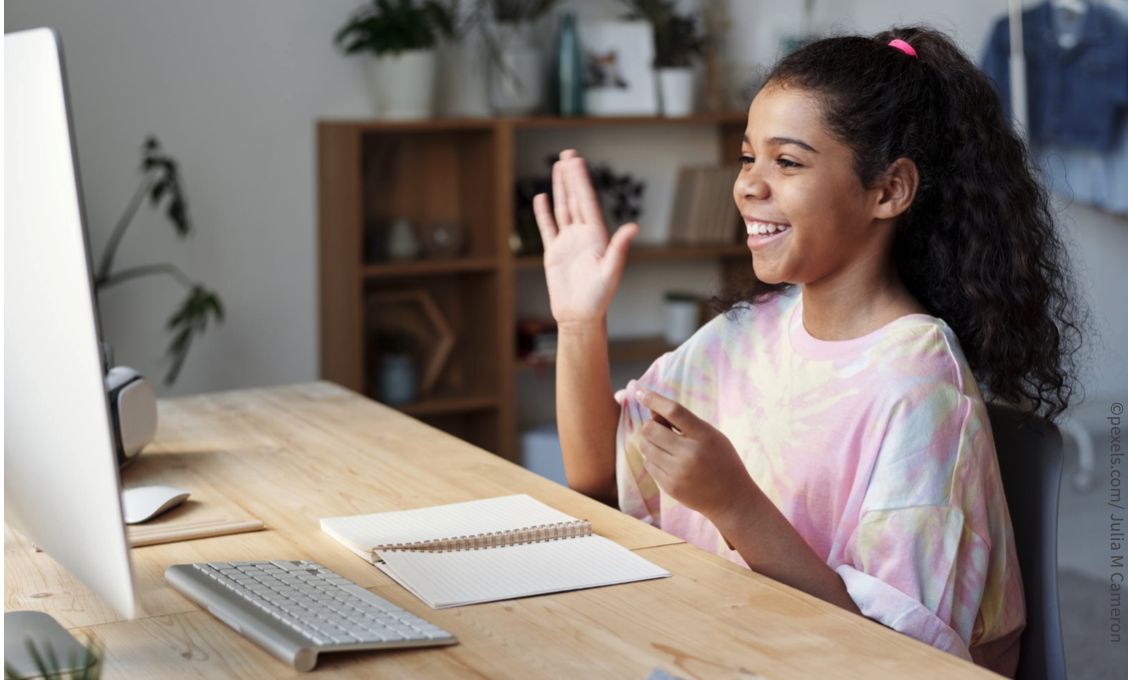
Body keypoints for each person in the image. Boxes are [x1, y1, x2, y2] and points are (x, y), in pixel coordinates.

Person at [532, 26, 1085, 679]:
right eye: (747, 157)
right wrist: (578, 323)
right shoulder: (744, 334)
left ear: (888, 191)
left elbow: (895, 660)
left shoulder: (921, 393)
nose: (748, 187)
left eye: (786, 162)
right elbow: (600, 482)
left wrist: (734, 505)